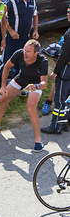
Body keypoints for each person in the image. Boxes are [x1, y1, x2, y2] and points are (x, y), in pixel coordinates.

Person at [0, 39, 48, 152]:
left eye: (28, 51)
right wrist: (3, 85)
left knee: (31, 108)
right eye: (24, 50)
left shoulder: (43, 61)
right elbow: (6, 67)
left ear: (36, 53)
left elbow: (44, 84)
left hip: (35, 84)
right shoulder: (19, 53)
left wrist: (35, 87)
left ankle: (38, 140)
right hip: (21, 78)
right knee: (3, 100)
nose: (25, 53)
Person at [0, 0, 38, 90]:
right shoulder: (12, 1)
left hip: (25, 37)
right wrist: (11, 30)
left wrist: (36, 30)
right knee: (7, 61)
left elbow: (35, 15)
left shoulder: (32, 0)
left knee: (22, 61)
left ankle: (17, 85)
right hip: (12, 38)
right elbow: (2, 17)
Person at [41, 7, 70, 135]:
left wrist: (55, 71)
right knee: (66, 99)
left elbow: (63, 54)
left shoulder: (69, 33)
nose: (68, 14)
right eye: (67, 11)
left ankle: (55, 126)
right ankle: (63, 123)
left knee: (59, 99)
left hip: (66, 69)